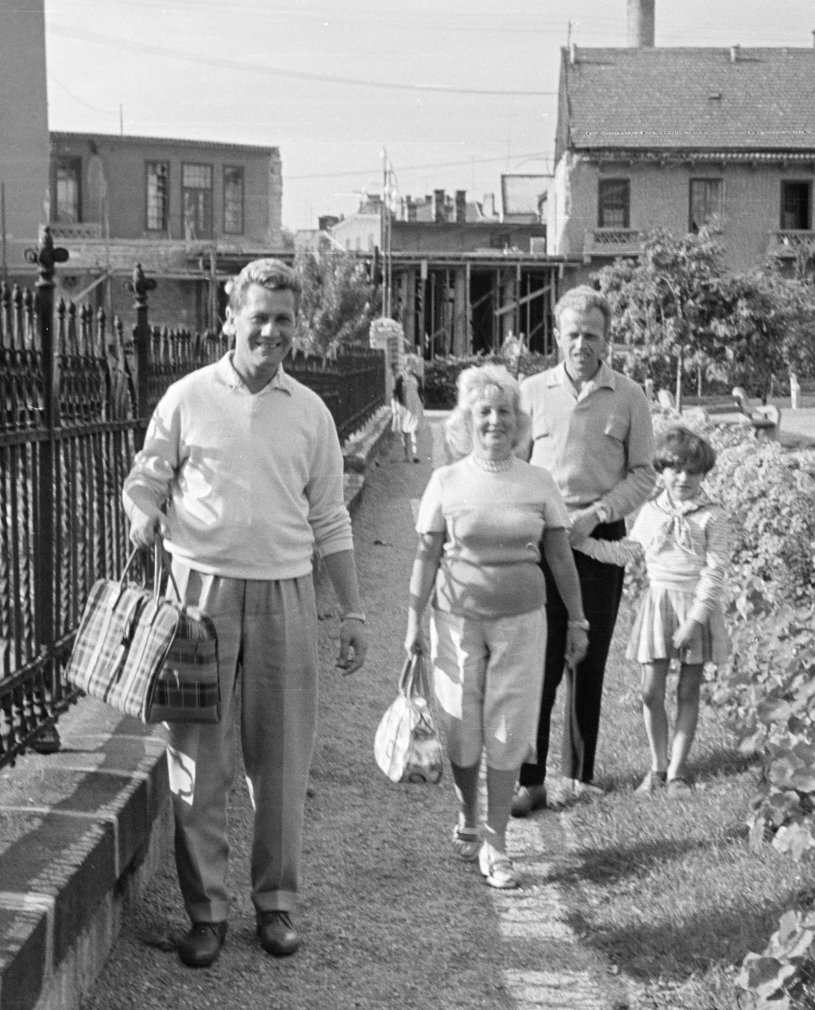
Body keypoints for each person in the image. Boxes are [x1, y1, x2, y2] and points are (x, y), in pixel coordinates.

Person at [122, 258, 368, 969]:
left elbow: (330, 517)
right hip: (198, 598)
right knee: (196, 760)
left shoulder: (310, 411)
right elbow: (148, 476)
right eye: (258, 316)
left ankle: (276, 905)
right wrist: (141, 512)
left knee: (283, 760)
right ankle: (206, 913)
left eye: (284, 319)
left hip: (287, 595)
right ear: (229, 318)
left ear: (298, 325)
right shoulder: (188, 397)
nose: (271, 331)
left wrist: (352, 610)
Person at [404, 365, 587, 890]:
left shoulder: (538, 482)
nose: (495, 421)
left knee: (508, 728)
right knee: (462, 722)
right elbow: (425, 555)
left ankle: (497, 841)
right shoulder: (446, 480)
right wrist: (411, 622)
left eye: (504, 411)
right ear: (467, 420)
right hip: (456, 619)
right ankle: (467, 814)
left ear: (519, 420)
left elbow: (559, 555)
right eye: (484, 412)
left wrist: (577, 619)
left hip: (523, 621)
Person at [513, 286, 655, 816]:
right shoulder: (529, 391)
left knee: (586, 658)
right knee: (539, 662)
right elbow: (516, 467)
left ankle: (578, 775)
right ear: (556, 336)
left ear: (607, 339)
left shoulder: (630, 396)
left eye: (590, 335)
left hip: (598, 542)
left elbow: (644, 475)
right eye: (571, 334)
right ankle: (530, 779)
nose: (580, 344)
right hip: (539, 544)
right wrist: (543, 520)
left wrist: (596, 514)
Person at [569, 426, 736, 796]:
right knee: (650, 691)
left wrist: (695, 620)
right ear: (662, 471)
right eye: (675, 470)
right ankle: (657, 767)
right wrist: (581, 543)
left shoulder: (713, 515)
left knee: (688, 691)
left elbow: (715, 571)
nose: (683, 478)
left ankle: (676, 773)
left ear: (704, 475)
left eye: (693, 472)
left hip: (696, 607)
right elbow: (626, 552)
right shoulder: (652, 510)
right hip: (659, 603)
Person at [392, 352, 425, 462]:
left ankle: (415, 455)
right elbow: (396, 393)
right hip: (405, 406)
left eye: (415, 364)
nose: (414, 366)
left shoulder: (417, 378)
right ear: (407, 364)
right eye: (412, 363)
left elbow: (420, 392)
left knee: (414, 429)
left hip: (416, 405)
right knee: (405, 431)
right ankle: (406, 455)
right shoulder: (401, 377)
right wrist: (397, 407)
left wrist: (422, 401)